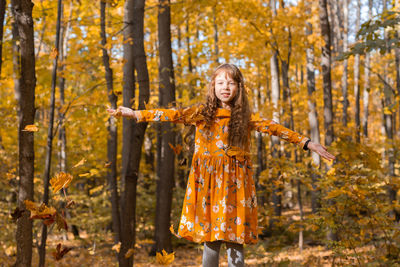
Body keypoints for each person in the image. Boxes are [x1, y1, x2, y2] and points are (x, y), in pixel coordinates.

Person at [107, 63, 335, 267]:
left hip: (236, 186)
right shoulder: (201, 113)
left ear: (238, 88)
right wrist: (137, 113)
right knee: (212, 240)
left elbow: (275, 128)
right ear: (213, 87)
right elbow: (171, 114)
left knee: (235, 240)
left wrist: (307, 143)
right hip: (208, 186)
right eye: (220, 82)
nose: (225, 87)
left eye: (231, 83)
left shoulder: (245, 117)